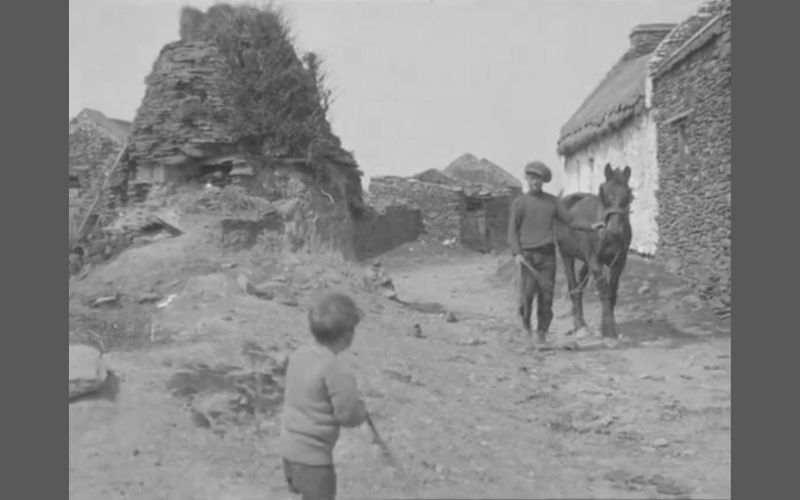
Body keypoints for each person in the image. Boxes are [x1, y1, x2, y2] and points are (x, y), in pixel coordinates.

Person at [278, 292, 370, 500]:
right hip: (314, 461)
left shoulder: (299, 355)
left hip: (289, 452)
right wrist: (362, 411)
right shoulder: (337, 370)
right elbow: (347, 416)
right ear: (348, 334)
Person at [507, 161, 604, 348]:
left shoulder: (552, 202)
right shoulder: (519, 203)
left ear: (544, 181)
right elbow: (512, 231)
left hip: (547, 256)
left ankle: (541, 336)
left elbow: (571, 221)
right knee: (527, 296)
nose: (535, 182)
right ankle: (526, 329)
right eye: (532, 178)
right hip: (527, 257)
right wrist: (516, 253)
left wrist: (591, 226)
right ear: (526, 179)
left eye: (539, 179)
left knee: (546, 298)